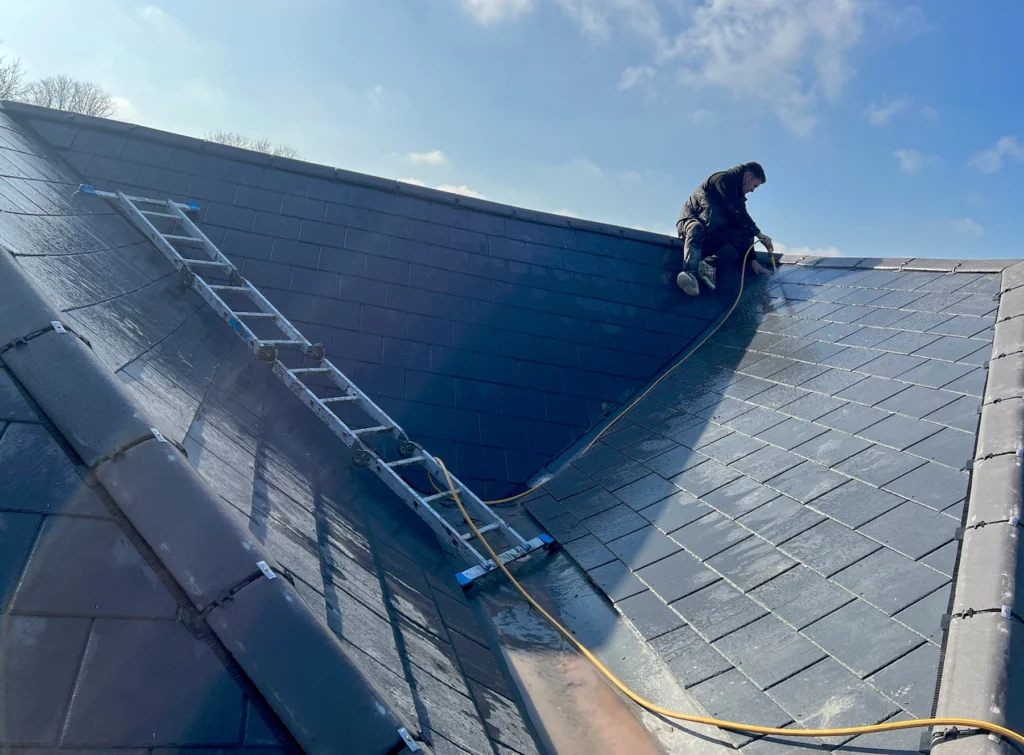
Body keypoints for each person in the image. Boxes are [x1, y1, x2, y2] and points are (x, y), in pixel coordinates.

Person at [675, 162, 774, 296]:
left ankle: (709, 265)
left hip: (712, 230)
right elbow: (737, 211)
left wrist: (752, 260)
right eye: (754, 185)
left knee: (745, 234)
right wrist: (759, 234)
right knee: (696, 228)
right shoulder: (723, 180)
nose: (752, 190)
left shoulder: (737, 197)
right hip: (692, 221)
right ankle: (690, 275)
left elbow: (742, 225)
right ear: (748, 176)